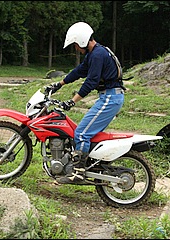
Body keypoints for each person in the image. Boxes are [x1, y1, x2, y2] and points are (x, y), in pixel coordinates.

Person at [47, 21, 125, 184]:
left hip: (110, 98)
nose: (76, 48)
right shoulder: (95, 53)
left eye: (76, 44)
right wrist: (59, 84)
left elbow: (91, 82)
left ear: (82, 40)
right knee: (87, 133)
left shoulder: (97, 55)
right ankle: (88, 165)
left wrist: (72, 101)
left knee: (81, 133)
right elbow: (79, 71)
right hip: (110, 97)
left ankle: (78, 173)